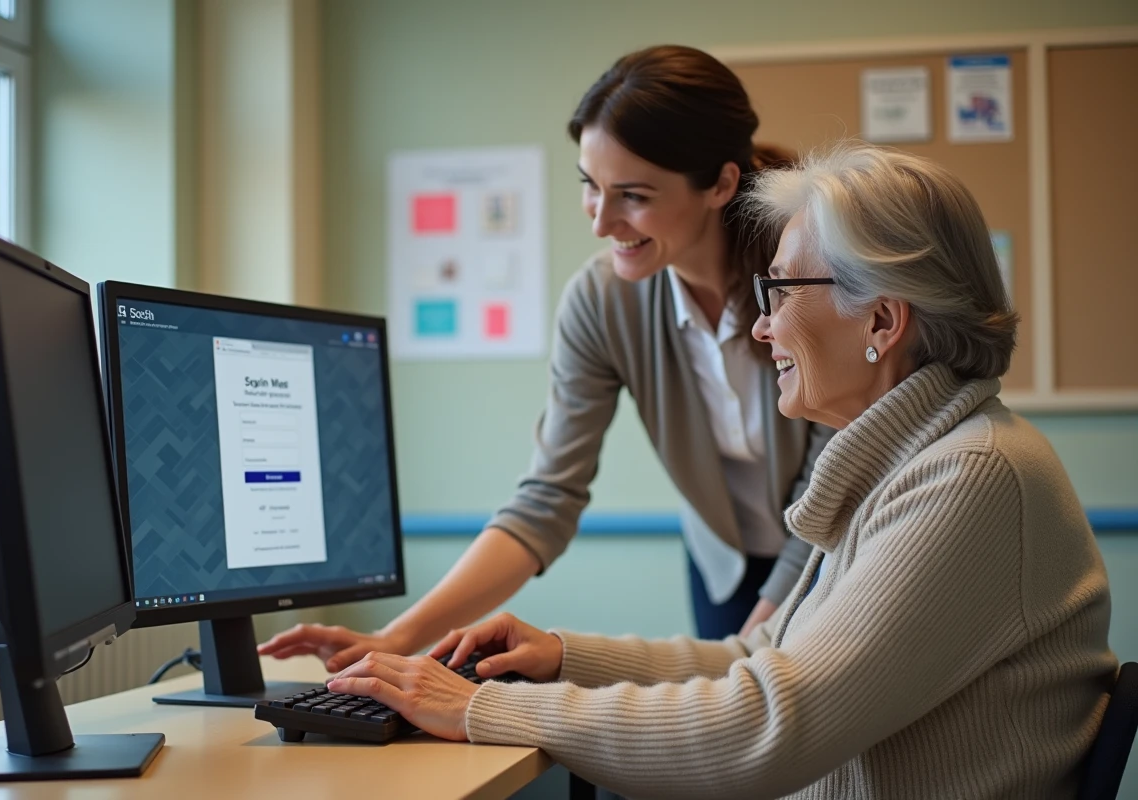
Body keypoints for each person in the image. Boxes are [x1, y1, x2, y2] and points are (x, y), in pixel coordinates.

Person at [324, 142, 1117, 799]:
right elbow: (760, 658)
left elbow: (770, 724)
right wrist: (564, 656)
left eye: (780, 289)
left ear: (881, 317)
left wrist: (485, 710)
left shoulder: (970, 478)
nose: (763, 325)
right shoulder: (915, 463)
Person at [258, 44, 834, 669]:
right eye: (591, 187)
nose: (601, 221)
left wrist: (751, 650)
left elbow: (829, 483)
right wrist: (396, 637)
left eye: (634, 195)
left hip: (833, 542)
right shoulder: (601, 301)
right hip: (724, 563)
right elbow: (546, 500)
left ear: (721, 184)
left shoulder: (803, 277)